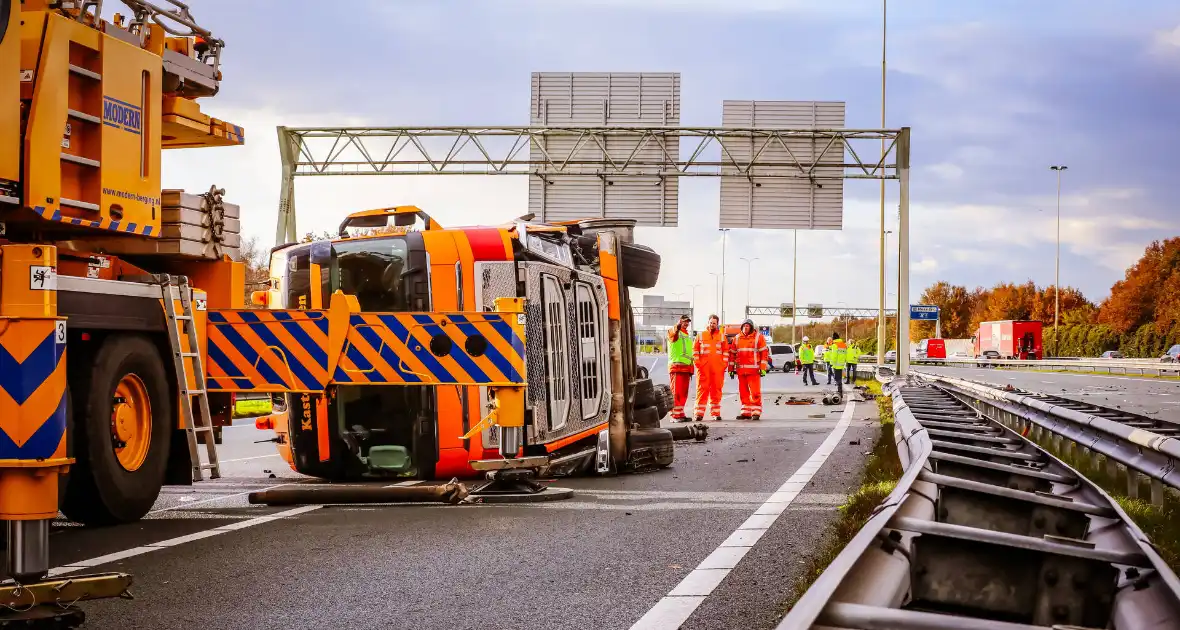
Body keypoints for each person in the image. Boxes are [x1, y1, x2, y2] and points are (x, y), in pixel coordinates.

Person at [693, 314, 730, 421]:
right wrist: (698, 364)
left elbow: (726, 351)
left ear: (717, 324)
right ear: (708, 323)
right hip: (703, 368)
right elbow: (695, 350)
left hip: (718, 369)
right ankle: (699, 414)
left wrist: (723, 364)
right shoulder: (700, 335)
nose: (712, 324)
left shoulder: (722, 336)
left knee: (716, 390)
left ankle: (715, 413)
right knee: (702, 390)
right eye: (711, 322)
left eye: (714, 323)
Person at [733, 319, 769, 420]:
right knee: (743, 392)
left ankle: (756, 412)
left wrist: (762, 368)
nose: (746, 328)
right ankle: (746, 412)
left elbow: (764, 353)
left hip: (754, 371)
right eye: (744, 326)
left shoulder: (758, 337)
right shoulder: (736, 338)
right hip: (741, 371)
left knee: (755, 392)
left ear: (751, 327)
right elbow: (732, 354)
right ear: (741, 327)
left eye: (748, 326)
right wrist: (731, 368)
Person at [666, 315, 694, 422]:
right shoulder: (674, 332)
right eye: (684, 322)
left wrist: (691, 369)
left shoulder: (686, 335)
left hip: (686, 368)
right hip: (677, 367)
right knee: (676, 392)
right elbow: (673, 331)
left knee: (683, 393)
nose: (686, 323)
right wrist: (677, 325)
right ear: (679, 322)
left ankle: (680, 413)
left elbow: (689, 354)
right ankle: (674, 415)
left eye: (687, 322)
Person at [828, 332, 848, 397]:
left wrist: (831, 364)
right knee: (839, 378)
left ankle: (840, 392)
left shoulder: (835, 345)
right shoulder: (844, 345)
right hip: (841, 364)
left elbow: (834, 356)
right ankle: (840, 392)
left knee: (837, 379)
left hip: (836, 364)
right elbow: (846, 354)